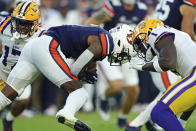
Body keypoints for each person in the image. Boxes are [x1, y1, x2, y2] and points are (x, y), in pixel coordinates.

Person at [0, 10, 135, 130]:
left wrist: (89, 70)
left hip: (33, 47)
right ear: (120, 41)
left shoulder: (99, 36)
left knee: (8, 94)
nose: (121, 58)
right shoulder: (107, 40)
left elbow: (88, 55)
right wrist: (81, 75)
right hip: (47, 46)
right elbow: (76, 67)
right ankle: (67, 113)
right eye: (124, 53)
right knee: (80, 93)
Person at [126, 0, 196, 130]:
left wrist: (142, 66)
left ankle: (135, 125)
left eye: (140, 43)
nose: (141, 49)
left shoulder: (156, 33)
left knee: (160, 112)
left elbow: (168, 63)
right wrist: (182, 122)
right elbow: (192, 96)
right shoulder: (178, 43)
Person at [84, 0, 147, 128]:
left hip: (128, 53)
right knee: (117, 85)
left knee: (133, 90)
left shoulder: (141, 9)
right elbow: (89, 23)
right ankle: (104, 98)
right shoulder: (114, 6)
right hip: (109, 51)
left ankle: (123, 118)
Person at [0, 1, 45, 131]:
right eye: (19, 23)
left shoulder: (42, 36)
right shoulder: (4, 24)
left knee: (23, 101)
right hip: (3, 72)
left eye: (27, 24)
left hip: (21, 78)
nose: (22, 27)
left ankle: (8, 119)